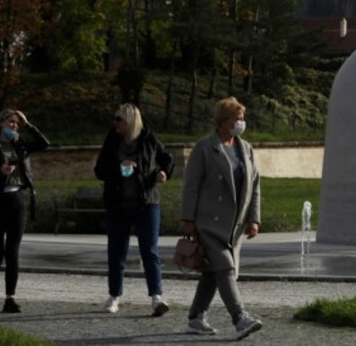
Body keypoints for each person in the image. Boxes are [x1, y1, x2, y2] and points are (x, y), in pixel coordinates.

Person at [181, 96, 263, 339]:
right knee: (225, 267)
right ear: (224, 120)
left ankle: (196, 318)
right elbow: (191, 185)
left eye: (242, 118)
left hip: (234, 225)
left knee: (213, 272)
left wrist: (254, 218)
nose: (241, 122)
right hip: (208, 221)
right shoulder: (205, 147)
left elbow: (255, 185)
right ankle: (240, 318)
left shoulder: (245, 148)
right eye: (238, 118)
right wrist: (188, 218)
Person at [94, 103, 174, 316]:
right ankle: (114, 296)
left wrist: (163, 172)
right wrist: (119, 168)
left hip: (146, 203)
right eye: (115, 119)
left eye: (119, 119)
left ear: (130, 121)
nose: (116, 123)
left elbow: (167, 158)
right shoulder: (112, 140)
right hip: (118, 203)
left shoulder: (148, 138)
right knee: (116, 252)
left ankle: (156, 298)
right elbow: (99, 170)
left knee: (150, 251)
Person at [0, 109, 49, 313]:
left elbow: (44, 143)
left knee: (12, 253)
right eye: (11, 122)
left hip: (16, 200)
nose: (14, 126)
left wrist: (28, 124)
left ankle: (10, 299)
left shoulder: (20, 145)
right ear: (0, 124)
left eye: (17, 123)